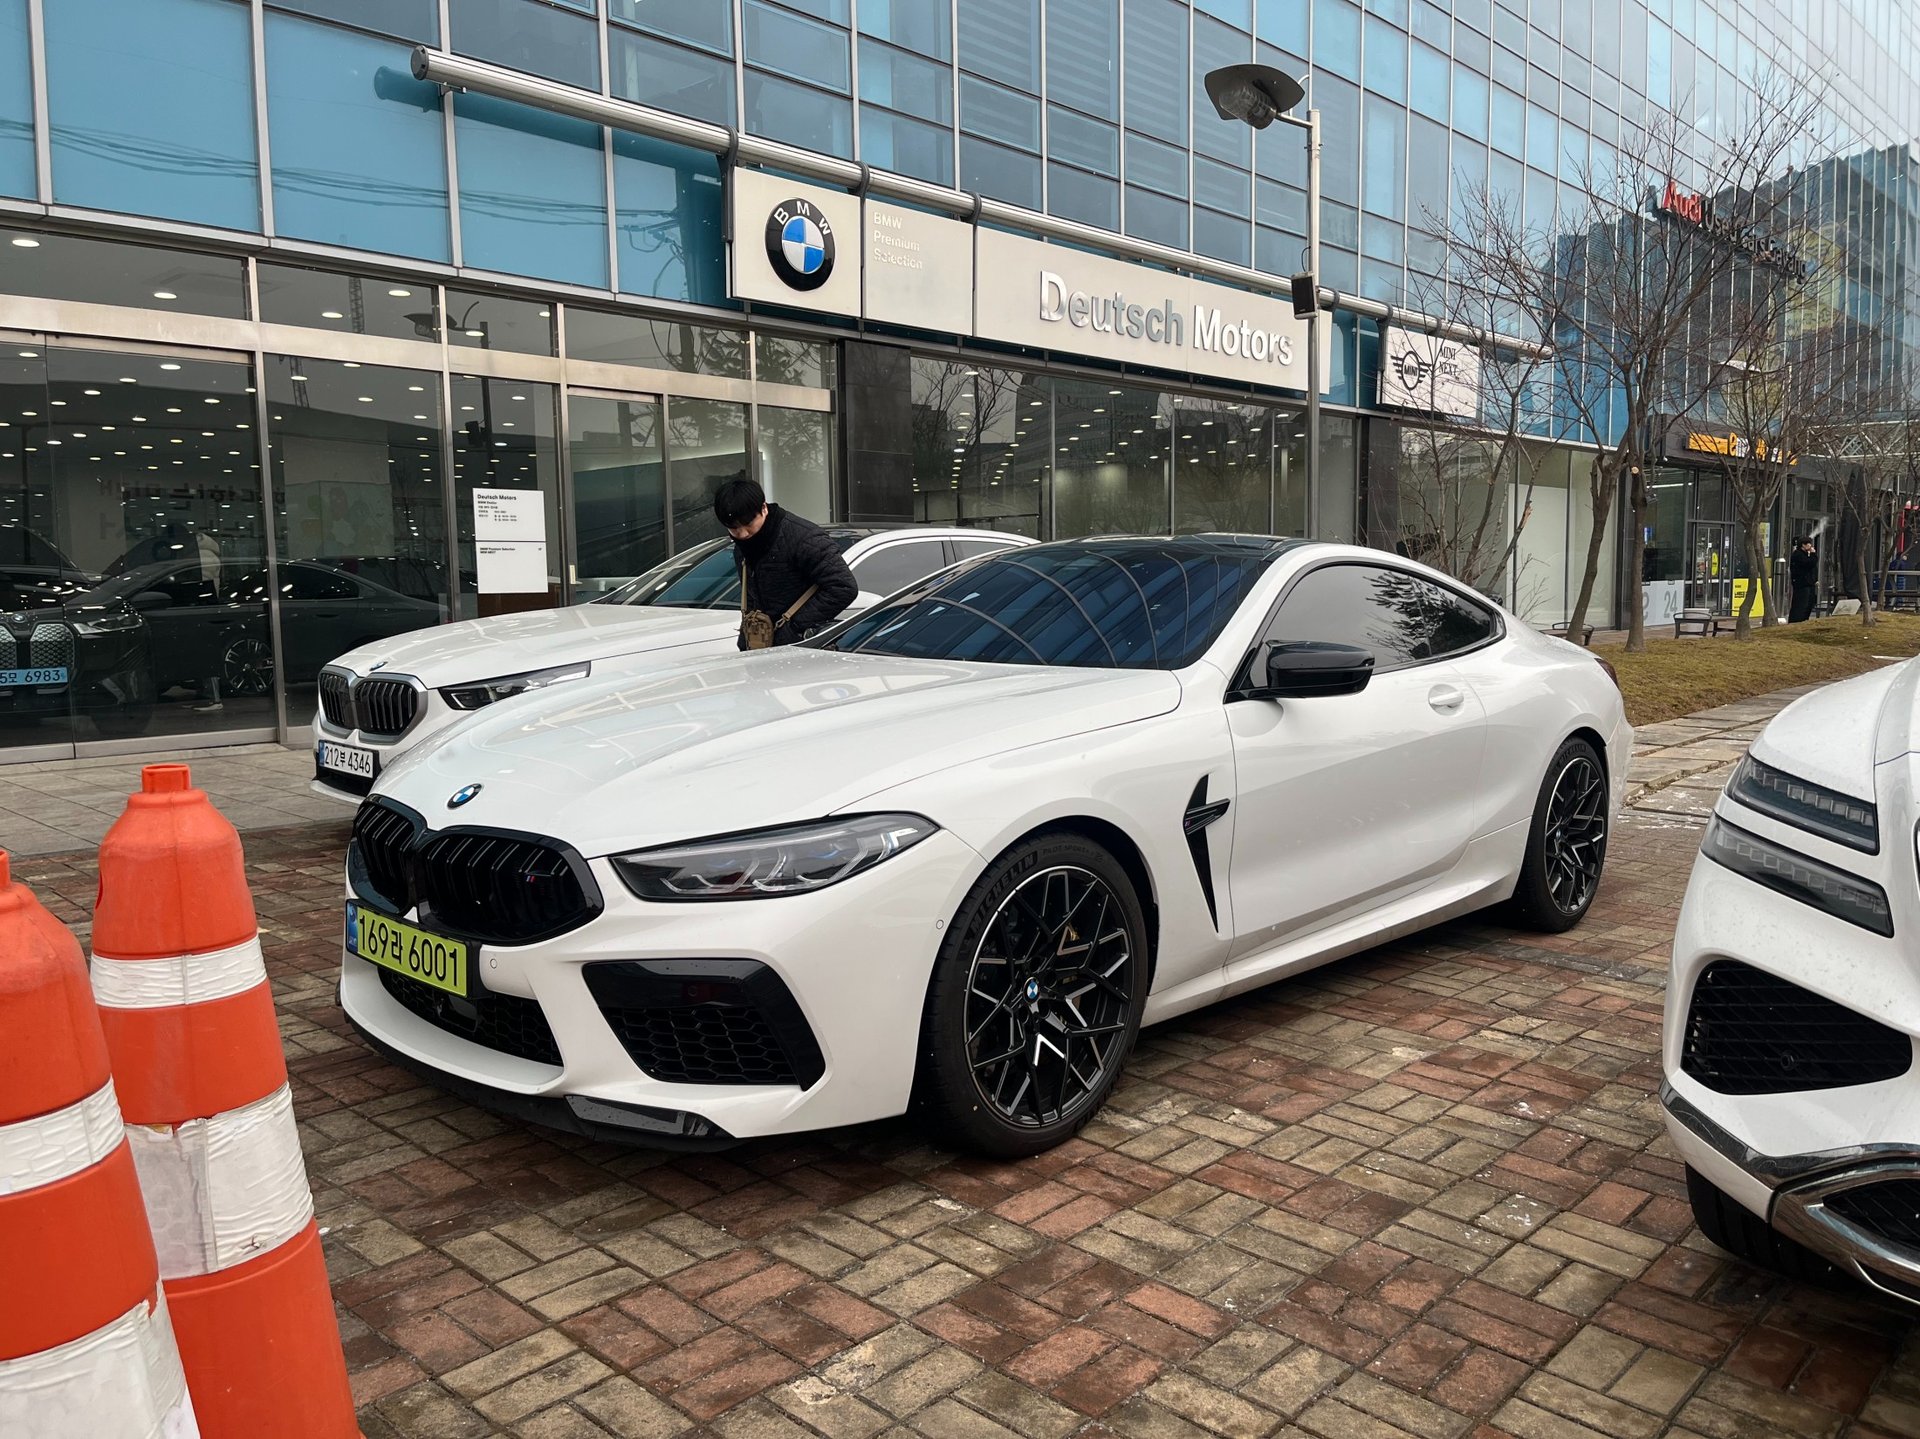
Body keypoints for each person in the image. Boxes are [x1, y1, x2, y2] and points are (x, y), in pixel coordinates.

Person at [714, 477, 856, 650]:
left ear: (764, 508)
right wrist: (746, 641)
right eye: (733, 528)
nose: (743, 534)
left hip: (804, 648)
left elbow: (843, 587)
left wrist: (793, 629)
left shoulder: (804, 538)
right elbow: (752, 598)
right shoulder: (742, 548)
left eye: (748, 524)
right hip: (761, 648)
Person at [1788, 535, 1819, 623]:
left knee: (1808, 604)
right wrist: (1813, 554)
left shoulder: (1805, 555)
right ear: (1803, 545)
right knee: (1801, 605)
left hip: (1808, 583)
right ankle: (1797, 621)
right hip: (1802, 584)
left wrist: (1815, 579)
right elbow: (1809, 563)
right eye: (1808, 544)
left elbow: (1812, 568)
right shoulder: (1798, 555)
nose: (1810, 546)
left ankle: (1804, 620)